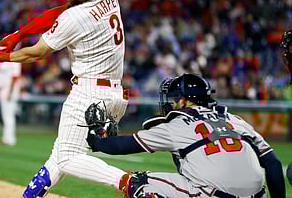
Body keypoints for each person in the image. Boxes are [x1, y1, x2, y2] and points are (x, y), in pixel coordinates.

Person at [0, 0, 131, 197]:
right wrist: (19, 35)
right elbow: (60, 12)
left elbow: (36, 53)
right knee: (60, 154)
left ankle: (128, 182)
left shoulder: (76, 17)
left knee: (68, 157)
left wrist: (1, 56)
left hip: (89, 94)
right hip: (113, 94)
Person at [86, 73, 285, 198]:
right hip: (256, 195)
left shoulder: (179, 124)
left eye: (174, 98)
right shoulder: (236, 120)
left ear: (183, 101)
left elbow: (125, 146)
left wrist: (96, 140)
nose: (171, 103)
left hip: (213, 195)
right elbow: (274, 165)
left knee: (137, 183)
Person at [0, 61, 21, 146]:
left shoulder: (15, 60)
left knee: (9, 117)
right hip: (4, 91)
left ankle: (10, 139)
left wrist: (10, 92)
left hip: (10, 91)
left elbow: (15, 76)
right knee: (6, 117)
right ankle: (6, 138)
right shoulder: (3, 60)